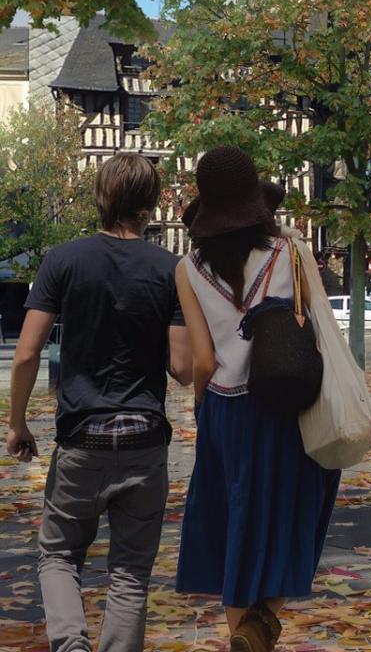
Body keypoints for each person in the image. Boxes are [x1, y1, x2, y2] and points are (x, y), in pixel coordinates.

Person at [6, 155, 191, 652]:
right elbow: (183, 370)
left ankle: (71, 646)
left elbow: (26, 354)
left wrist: (17, 423)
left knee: (59, 555)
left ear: (100, 197)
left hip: (82, 439)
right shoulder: (171, 271)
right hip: (144, 438)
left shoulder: (63, 261)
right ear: (150, 206)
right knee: (130, 572)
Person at [172, 147, 340, 651]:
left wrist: (202, 406)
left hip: (224, 408)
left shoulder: (189, 269)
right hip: (287, 405)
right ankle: (261, 623)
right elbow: (321, 326)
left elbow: (201, 361)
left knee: (234, 522)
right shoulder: (290, 251)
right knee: (296, 510)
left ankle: (241, 632)